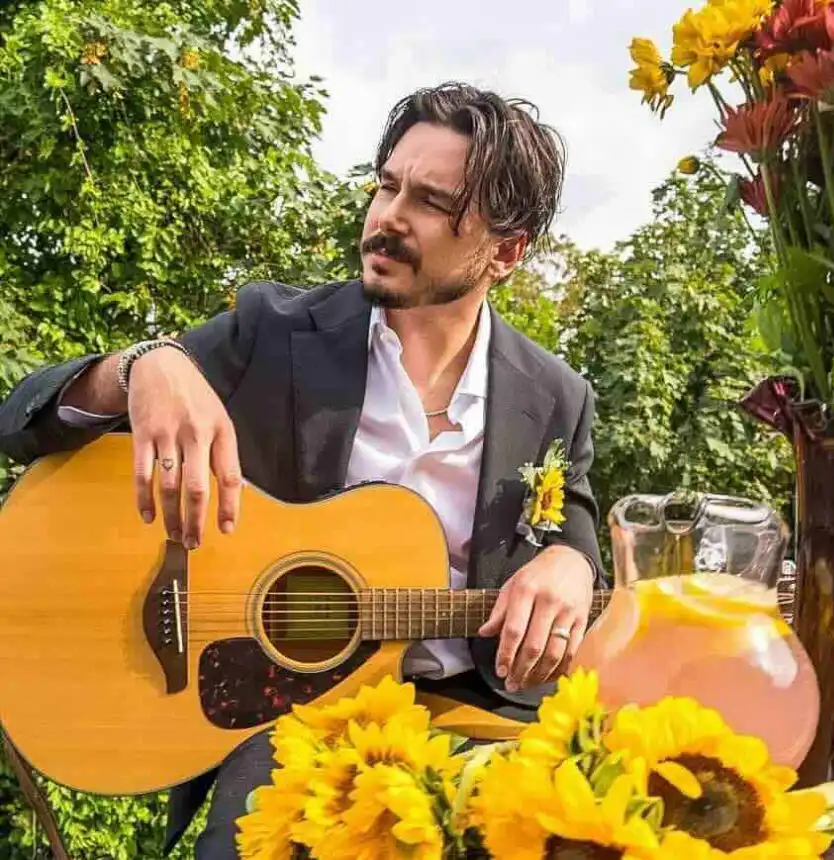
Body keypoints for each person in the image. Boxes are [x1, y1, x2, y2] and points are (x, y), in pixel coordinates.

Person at [0, 81, 604, 858]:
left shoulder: (556, 396)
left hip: (478, 721)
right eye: (386, 184)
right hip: (289, 714)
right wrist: (145, 366)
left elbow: (573, 523)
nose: (388, 216)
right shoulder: (275, 331)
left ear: (507, 251)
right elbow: (21, 421)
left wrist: (571, 564)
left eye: (429, 201)